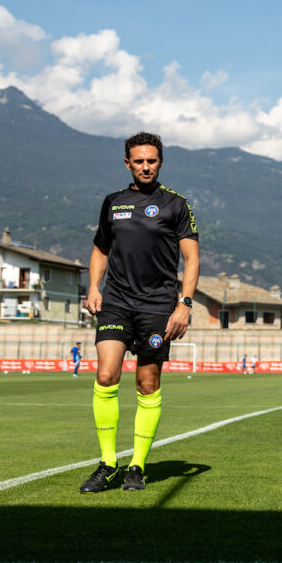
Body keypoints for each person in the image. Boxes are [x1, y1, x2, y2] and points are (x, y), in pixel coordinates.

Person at [80, 132, 199, 493]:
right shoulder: (113, 202)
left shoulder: (176, 205)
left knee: (147, 384)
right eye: (139, 161)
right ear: (128, 163)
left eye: (152, 161)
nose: (145, 166)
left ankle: (137, 466)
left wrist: (185, 303)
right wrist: (93, 287)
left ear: (160, 163)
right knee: (105, 376)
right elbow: (101, 248)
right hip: (116, 300)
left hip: (158, 306)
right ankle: (108, 464)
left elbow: (192, 258)